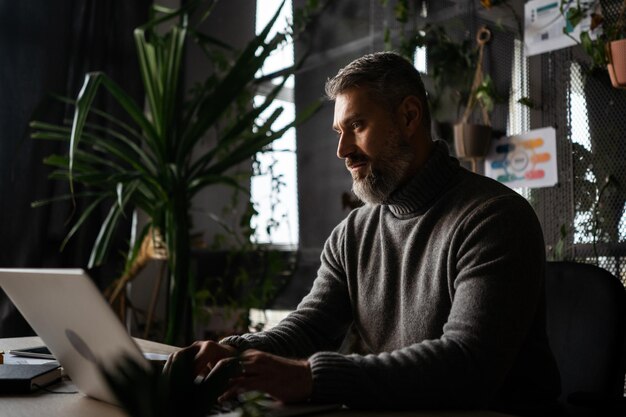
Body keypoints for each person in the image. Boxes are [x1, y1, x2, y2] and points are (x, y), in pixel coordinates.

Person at [168, 52, 561, 415]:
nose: (342, 150)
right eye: (339, 131)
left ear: (409, 116)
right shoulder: (352, 233)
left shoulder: (492, 218)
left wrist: (311, 377)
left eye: (357, 126)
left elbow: (466, 364)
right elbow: (312, 326)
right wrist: (235, 353)